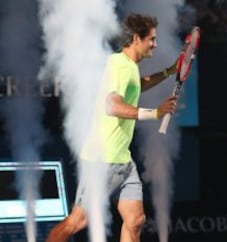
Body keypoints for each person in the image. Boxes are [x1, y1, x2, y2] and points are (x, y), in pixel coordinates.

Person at [46, 13, 178, 242]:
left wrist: (169, 71)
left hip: (123, 161)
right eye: (152, 40)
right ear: (137, 38)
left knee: (135, 219)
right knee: (78, 222)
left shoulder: (127, 66)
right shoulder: (119, 65)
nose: (155, 45)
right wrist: (155, 113)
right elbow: (112, 105)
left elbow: (138, 85)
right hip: (102, 161)